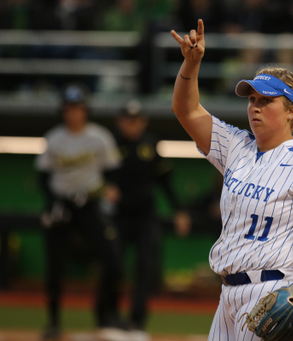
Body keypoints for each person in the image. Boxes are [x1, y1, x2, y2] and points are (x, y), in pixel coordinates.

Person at [170, 19, 293, 341]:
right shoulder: (236, 146)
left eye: (266, 101)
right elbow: (186, 110)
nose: (254, 107)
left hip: (279, 294)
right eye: (252, 100)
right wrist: (191, 64)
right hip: (228, 295)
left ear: (290, 111)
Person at [36, 83, 125, 341]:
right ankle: (53, 321)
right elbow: (43, 175)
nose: (73, 113)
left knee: (112, 259)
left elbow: (112, 171)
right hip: (61, 205)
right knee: (54, 266)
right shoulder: (54, 138)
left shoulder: (99, 137)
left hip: (90, 205)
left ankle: (109, 315)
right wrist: (52, 202)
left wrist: (110, 189)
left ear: (86, 110)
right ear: (62, 111)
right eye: (68, 108)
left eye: (78, 108)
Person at [104, 100, 190, 341]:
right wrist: (103, 187)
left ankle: (136, 320)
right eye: (128, 120)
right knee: (113, 266)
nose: (133, 125)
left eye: (137, 120)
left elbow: (165, 181)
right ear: (119, 121)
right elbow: (96, 175)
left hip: (145, 217)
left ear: (143, 122)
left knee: (145, 269)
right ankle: (108, 316)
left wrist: (179, 210)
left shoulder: (150, 144)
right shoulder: (109, 144)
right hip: (116, 217)